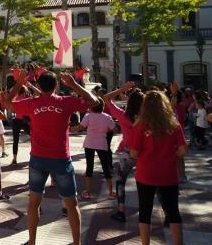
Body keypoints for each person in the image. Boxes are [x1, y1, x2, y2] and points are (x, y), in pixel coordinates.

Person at [4, 69, 99, 245]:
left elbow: (6, 102)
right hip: (61, 159)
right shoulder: (66, 102)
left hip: (38, 159)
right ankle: (76, 243)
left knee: (33, 203)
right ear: (56, 86)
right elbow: (94, 102)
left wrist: (19, 83)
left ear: (38, 86)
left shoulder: (32, 103)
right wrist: (73, 84)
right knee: (71, 204)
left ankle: (32, 242)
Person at [130, 90, 186, 245]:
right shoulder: (174, 124)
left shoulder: (140, 125)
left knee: (145, 211)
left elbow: (133, 153)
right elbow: (182, 150)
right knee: (173, 211)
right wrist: (170, 154)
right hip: (168, 174)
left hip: (146, 173)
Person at [102, 83, 143, 223]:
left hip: (128, 152)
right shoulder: (146, 118)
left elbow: (106, 98)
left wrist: (122, 89)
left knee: (120, 180)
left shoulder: (123, 115)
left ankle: (121, 210)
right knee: (152, 183)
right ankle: (168, 214)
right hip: (145, 152)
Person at [71, 98, 115, 199]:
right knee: (106, 167)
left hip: (89, 143)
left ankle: (87, 191)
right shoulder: (107, 117)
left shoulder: (88, 116)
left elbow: (80, 127)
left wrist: (70, 128)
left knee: (89, 167)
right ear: (102, 106)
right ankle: (111, 192)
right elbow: (114, 128)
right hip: (102, 144)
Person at [11, 86, 31, 165]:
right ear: (25, 91)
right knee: (33, 137)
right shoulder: (27, 99)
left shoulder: (16, 98)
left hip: (17, 120)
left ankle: (14, 159)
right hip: (25, 120)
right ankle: (33, 156)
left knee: (15, 141)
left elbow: (13, 109)